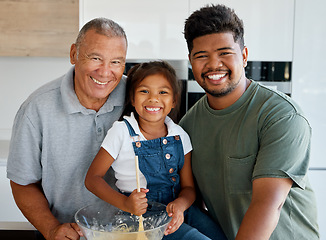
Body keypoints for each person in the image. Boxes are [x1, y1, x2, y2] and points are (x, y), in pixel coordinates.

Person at [180, 4, 319, 240]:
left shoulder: (281, 116)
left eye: (225, 53)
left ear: (244, 56)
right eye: (202, 56)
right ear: (191, 62)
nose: (214, 65)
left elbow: (267, 205)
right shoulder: (188, 126)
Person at [6, 18, 128, 240]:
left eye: (116, 62)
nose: (105, 72)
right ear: (74, 54)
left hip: (131, 233)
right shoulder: (36, 109)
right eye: (96, 58)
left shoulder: (139, 98)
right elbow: (22, 183)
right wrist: (51, 228)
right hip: (68, 234)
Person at [85, 61, 227, 240]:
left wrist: (181, 205)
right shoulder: (121, 131)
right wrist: (126, 204)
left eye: (163, 92)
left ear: (174, 100)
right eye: (144, 91)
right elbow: (92, 179)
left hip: (179, 209)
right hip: (142, 217)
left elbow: (189, 187)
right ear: (133, 98)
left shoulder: (180, 135)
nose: (153, 98)